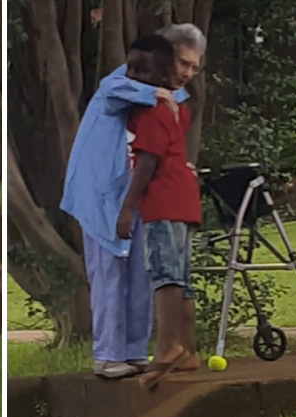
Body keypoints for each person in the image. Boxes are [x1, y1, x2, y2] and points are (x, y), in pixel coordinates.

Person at [60, 23, 205, 379]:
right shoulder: (122, 82)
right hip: (103, 195)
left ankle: (134, 350)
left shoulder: (172, 96)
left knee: (141, 273)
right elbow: (122, 93)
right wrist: (156, 92)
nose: (186, 73)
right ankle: (108, 355)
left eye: (194, 67)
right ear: (164, 59)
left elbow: (158, 145)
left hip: (139, 196)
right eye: (181, 63)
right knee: (109, 272)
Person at [116, 31, 204, 389]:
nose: (134, 77)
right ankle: (189, 350)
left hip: (162, 200)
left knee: (164, 274)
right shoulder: (176, 109)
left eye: (143, 70)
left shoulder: (153, 111)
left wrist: (127, 207)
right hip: (183, 199)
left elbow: (148, 161)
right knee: (181, 278)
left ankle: (167, 346)